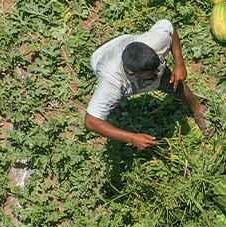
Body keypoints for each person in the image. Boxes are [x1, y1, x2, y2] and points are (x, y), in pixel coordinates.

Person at [85, 19, 208, 149]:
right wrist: (132, 138)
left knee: (173, 83)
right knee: (109, 104)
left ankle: (198, 110)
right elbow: (91, 121)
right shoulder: (112, 83)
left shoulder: (155, 42)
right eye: (151, 73)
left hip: (125, 43)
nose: (157, 72)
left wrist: (179, 63)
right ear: (132, 73)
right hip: (101, 57)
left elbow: (169, 27)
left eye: (158, 66)